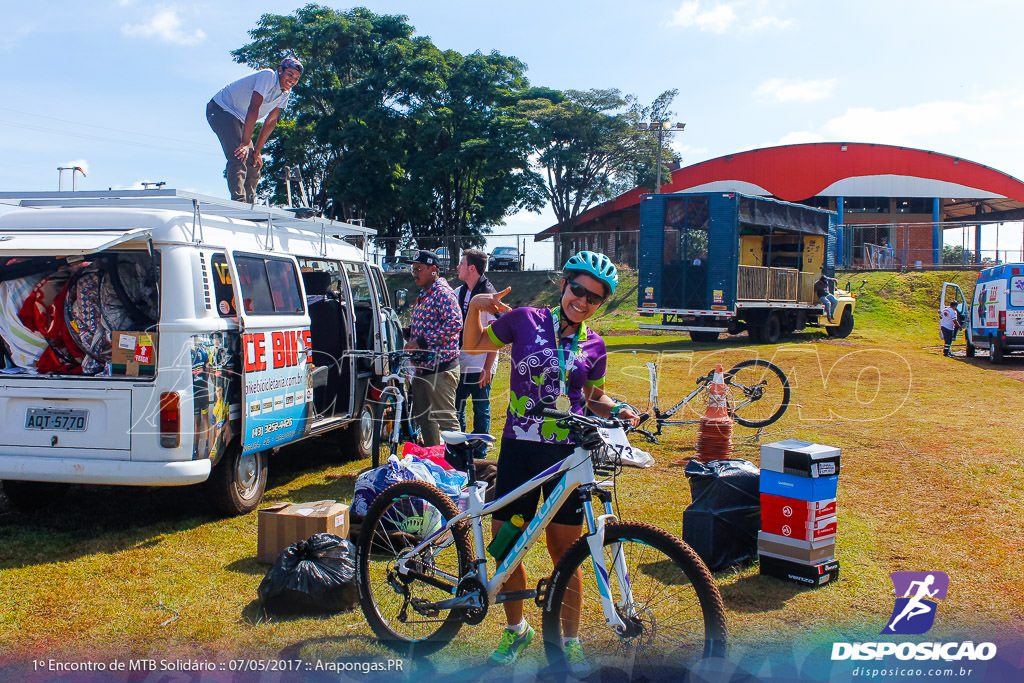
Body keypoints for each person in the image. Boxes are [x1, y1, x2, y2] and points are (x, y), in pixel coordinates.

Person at [462, 250, 642, 669]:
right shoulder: (524, 319)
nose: (582, 301)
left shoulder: (594, 344)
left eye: (594, 298)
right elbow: (473, 343)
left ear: (601, 304)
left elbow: (593, 398)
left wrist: (617, 410)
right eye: (578, 289)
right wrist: (474, 306)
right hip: (520, 450)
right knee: (509, 546)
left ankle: (571, 640)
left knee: (566, 550)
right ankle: (516, 630)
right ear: (564, 285)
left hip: (568, 456)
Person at [206, 57, 303, 203]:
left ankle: (251, 204)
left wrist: (257, 151)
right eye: (290, 74)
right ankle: (239, 201)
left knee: (252, 162)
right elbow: (254, 107)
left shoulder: (285, 93)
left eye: (296, 78)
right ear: (281, 70)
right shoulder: (268, 76)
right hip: (221, 110)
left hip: (240, 119)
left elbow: (271, 121)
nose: (292, 80)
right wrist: (245, 142)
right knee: (239, 155)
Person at [405, 250, 462, 446]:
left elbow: (454, 323)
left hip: (441, 369)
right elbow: (429, 324)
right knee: (425, 420)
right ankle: (433, 463)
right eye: (413, 269)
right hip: (423, 369)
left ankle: (458, 468)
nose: (415, 273)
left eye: (419, 269)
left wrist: (421, 342)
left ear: (433, 270)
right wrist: (409, 333)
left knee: (446, 423)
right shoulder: (425, 293)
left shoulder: (443, 293)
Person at [454, 249, 499, 457]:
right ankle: (459, 450)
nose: (458, 267)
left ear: (471, 268)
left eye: (461, 264)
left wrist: (488, 368)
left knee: (481, 411)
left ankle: (479, 454)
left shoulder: (488, 295)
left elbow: (495, 336)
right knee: (457, 409)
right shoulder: (459, 292)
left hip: (481, 363)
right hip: (461, 363)